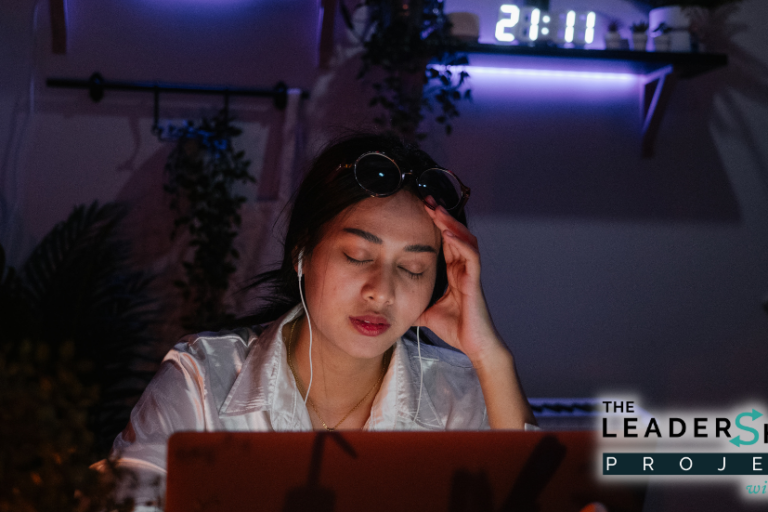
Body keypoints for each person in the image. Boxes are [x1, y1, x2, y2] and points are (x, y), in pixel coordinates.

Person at [108, 132, 536, 509]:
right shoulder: (201, 384)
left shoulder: (457, 396)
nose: (381, 291)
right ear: (301, 254)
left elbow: (533, 497)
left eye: (413, 269)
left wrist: (490, 356)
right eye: (358, 256)